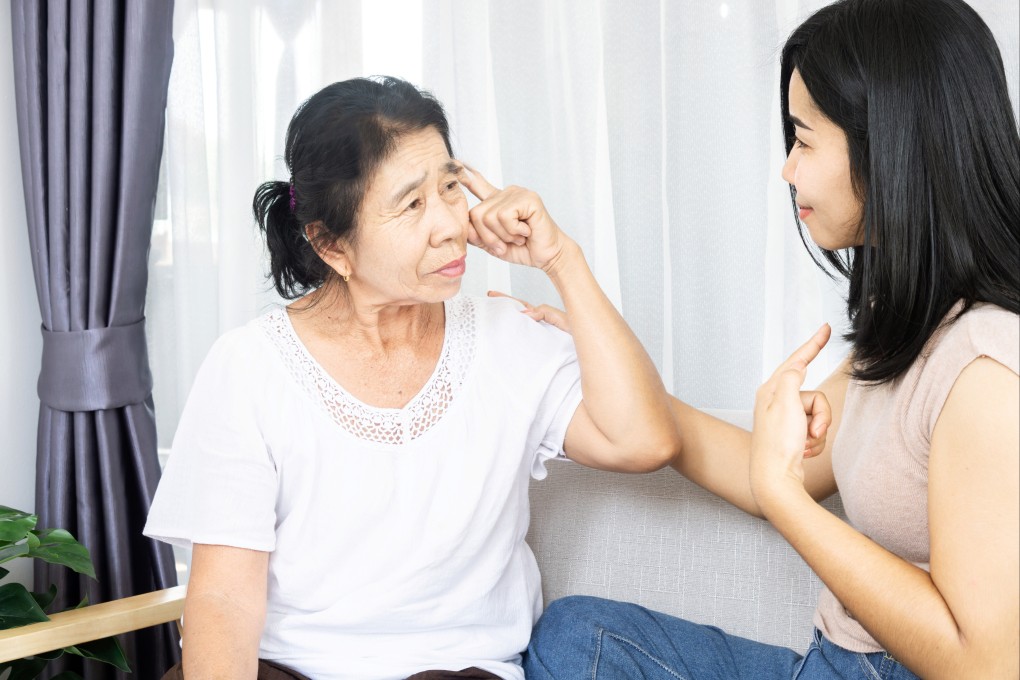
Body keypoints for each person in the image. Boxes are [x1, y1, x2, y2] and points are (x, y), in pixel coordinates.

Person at [521, 0, 1019, 678]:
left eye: (805, 140)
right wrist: (608, 370)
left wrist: (787, 503)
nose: (788, 170)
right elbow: (767, 472)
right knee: (579, 636)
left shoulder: (985, 368)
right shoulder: (915, 331)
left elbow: (983, 663)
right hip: (829, 663)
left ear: (889, 149)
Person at [143, 77, 681, 679]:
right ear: (331, 244)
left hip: (457, 671)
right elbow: (224, 601)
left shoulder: (508, 338)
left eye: (450, 187)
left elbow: (644, 441)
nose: (451, 224)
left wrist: (562, 261)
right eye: (412, 204)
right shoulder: (248, 368)